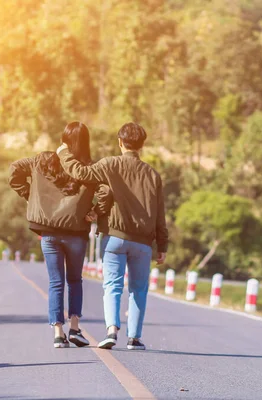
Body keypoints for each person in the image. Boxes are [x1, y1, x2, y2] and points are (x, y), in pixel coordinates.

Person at [56, 122, 168, 350]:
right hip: (143, 243)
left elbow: (80, 172)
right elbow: (160, 215)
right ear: (142, 145)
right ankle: (134, 338)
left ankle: (111, 332)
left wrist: (64, 154)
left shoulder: (109, 164)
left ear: (120, 142)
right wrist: (162, 245)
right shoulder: (153, 175)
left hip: (115, 238)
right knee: (139, 289)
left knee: (112, 286)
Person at [9, 122, 112, 348]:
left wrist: (30, 195)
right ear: (86, 142)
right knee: (75, 281)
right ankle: (75, 328)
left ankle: (58, 333)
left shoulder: (41, 160)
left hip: (49, 235)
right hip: (76, 233)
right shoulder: (88, 167)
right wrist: (95, 211)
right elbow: (106, 190)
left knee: (56, 282)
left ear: (63, 139)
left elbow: (14, 170)